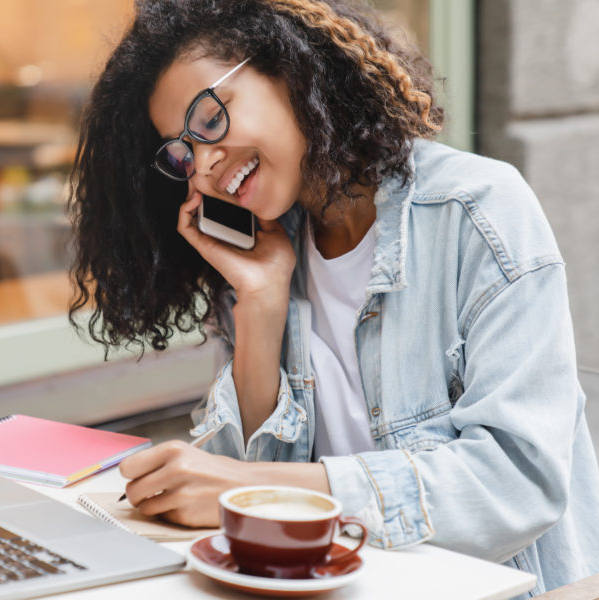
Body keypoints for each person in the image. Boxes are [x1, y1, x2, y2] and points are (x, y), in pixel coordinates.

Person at [68, 0, 599, 595]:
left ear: (291, 69)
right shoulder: (265, 254)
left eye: (210, 120)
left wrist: (266, 492)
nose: (205, 167)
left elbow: (516, 483)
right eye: (182, 153)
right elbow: (235, 509)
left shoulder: (476, 212)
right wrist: (262, 304)